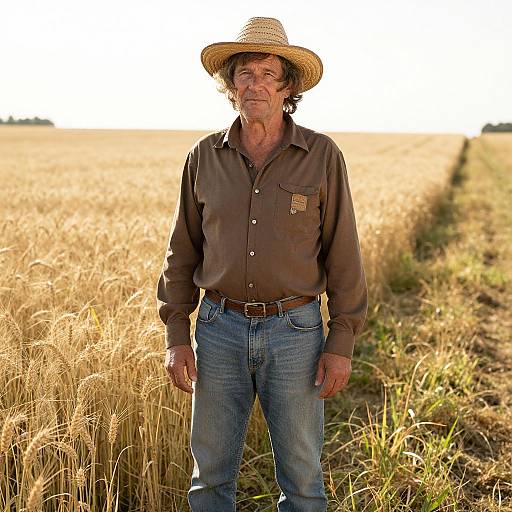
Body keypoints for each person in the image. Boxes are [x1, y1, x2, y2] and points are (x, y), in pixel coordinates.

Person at [156, 16, 368, 512]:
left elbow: (344, 252)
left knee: (303, 480)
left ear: (288, 85)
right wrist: (176, 333)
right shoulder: (204, 157)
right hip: (217, 328)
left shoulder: (321, 155)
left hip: (295, 332)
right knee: (209, 480)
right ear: (230, 85)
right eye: (244, 73)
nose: (255, 84)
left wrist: (341, 342)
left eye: (268, 73)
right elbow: (182, 251)